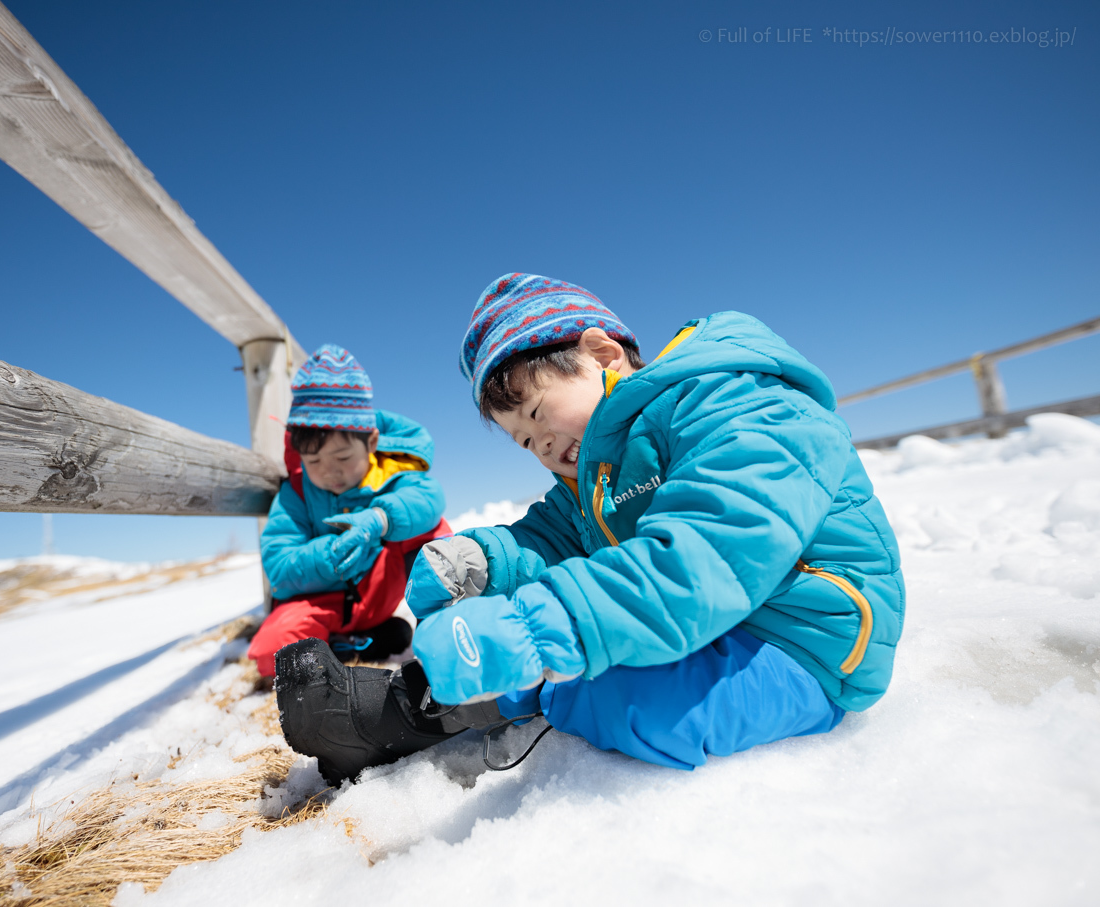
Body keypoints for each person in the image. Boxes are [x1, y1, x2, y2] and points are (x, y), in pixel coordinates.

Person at [275, 274, 904, 784]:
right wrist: (484, 559)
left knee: (628, 703)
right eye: (524, 440)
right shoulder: (597, 475)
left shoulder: (739, 403)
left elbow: (709, 553)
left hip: (806, 647)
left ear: (603, 356)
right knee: (586, 648)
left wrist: (530, 628)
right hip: (707, 626)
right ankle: (433, 700)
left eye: (540, 413)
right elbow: (552, 536)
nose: (542, 445)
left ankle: (438, 708)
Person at [248, 344, 449, 677]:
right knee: (274, 653)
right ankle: (350, 644)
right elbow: (279, 566)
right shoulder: (295, 493)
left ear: (370, 443)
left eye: (342, 458)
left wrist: (381, 519)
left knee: (429, 528)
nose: (329, 472)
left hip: (377, 592)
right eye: (313, 461)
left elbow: (429, 498)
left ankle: (446, 620)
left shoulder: (390, 472)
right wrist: (330, 555)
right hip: (320, 605)